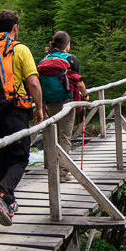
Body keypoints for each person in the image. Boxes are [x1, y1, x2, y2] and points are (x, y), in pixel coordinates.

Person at [0, 10, 45, 226]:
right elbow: (33, 82)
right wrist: (39, 108)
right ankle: (2, 195)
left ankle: (8, 204)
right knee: (20, 157)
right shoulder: (20, 49)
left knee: (3, 156)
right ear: (15, 27)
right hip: (15, 110)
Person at [40, 30, 88, 181]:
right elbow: (79, 82)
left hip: (49, 102)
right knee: (64, 137)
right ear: (67, 44)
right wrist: (85, 96)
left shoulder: (44, 60)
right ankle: (61, 173)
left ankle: (51, 168)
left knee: (51, 135)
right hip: (66, 103)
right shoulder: (70, 59)